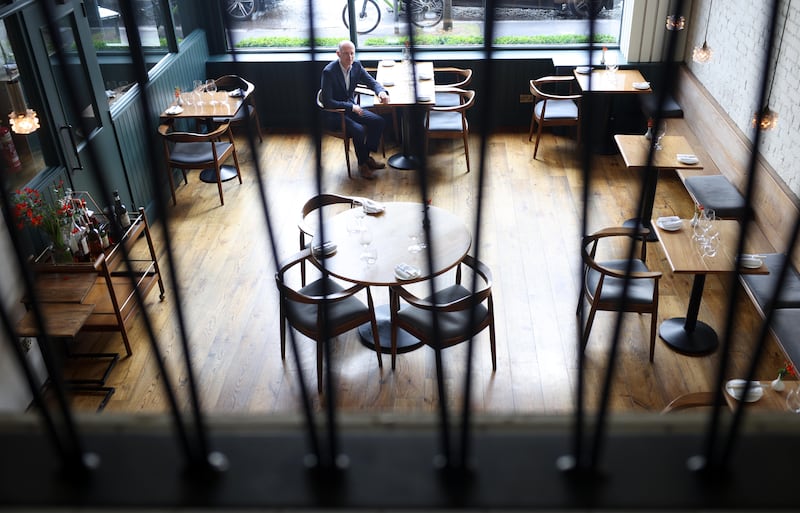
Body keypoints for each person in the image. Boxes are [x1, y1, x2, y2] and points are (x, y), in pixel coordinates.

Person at [321, 40, 390, 179]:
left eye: (352, 53)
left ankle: (366, 157)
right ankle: (362, 164)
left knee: (379, 122)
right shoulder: (329, 72)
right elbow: (328, 102)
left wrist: (381, 92)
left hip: (352, 109)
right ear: (338, 54)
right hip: (335, 114)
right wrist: (351, 106)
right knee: (358, 130)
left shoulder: (356, 65)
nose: (350, 57)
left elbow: (371, 81)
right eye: (346, 54)